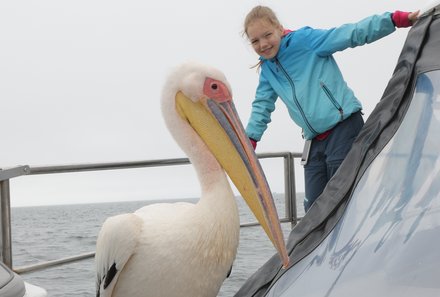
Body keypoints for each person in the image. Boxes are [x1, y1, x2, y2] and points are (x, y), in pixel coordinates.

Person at [243, 6, 419, 212]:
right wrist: (250, 140)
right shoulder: (267, 70)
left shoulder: (305, 40)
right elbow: (262, 105)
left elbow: (350, 33)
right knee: (313, 208)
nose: (263, 44)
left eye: (267, 35)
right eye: (255, 41)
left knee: (342, 199)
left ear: (279, 29)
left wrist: (394, 20)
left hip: (343, 128)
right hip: (314, 140)